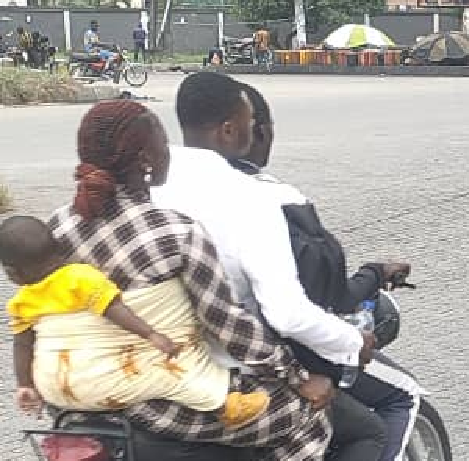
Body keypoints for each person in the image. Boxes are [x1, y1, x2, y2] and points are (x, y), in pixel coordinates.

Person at [46, 100, 334, 460]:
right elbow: (227, 325)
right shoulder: (174, 233)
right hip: (154, 403)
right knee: (309, 418)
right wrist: (297, 376)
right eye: (163, 146)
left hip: (70, 399)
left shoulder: (56, 227)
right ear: (146, 160)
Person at [151, 73, 385, 461]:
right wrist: (352, 342)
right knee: (366, 432)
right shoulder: (250, 198)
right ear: (229, 130)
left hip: (139, 375)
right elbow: (287, 314)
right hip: (223, 378)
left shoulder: (147, 186)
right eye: (250, 123)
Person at [234, 82, 420, 461]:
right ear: (258, 132)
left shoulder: (172, 191)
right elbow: (321, 300)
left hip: (187, 365)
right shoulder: (279, 201)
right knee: (400, 399)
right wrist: (374, 274)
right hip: (275, 361)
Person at [2, 216, 269, 427]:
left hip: (57, 393)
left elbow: (22, 345)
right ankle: (226, 406)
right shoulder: (79, 277)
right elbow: (113, 308)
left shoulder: (21, 302)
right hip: (108, 384)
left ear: (13, 273)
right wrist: (152, 335)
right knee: (175, 376)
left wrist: (25, 385)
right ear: (60, 247)